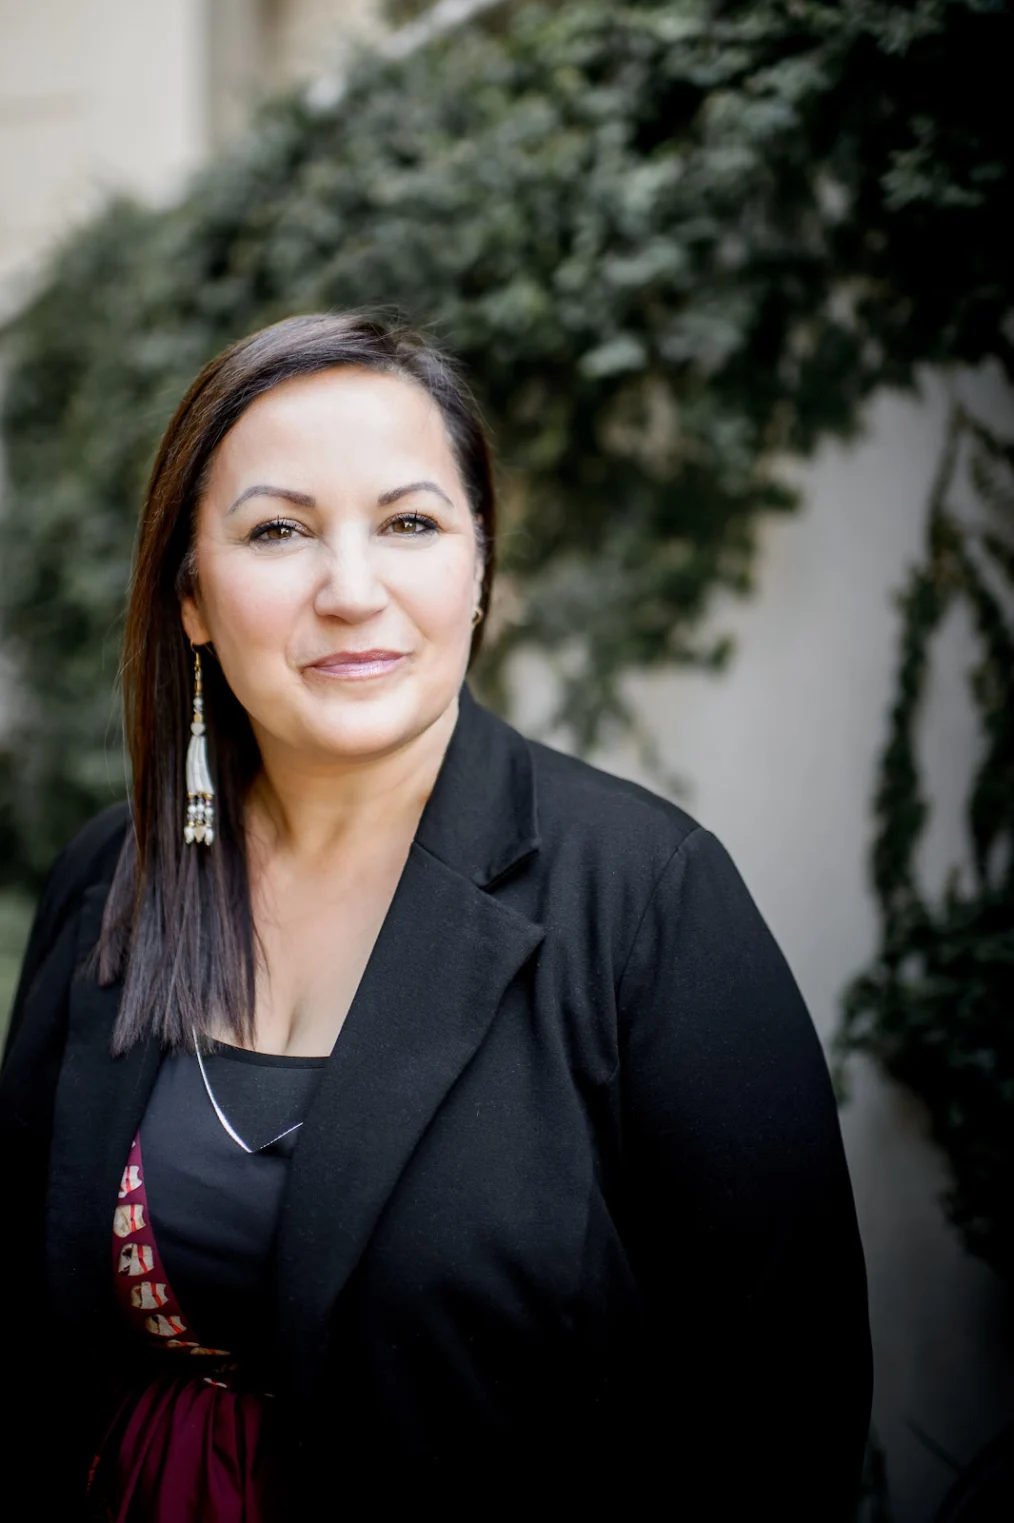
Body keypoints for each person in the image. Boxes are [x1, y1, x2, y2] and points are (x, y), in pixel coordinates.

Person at [0, 312, 872, 1520]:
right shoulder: (110, 879)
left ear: (478, 569)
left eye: (410, 522)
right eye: (277, 530)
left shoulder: (645, 898)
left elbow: (786, 1406)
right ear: (191, 595)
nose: (352, 590)